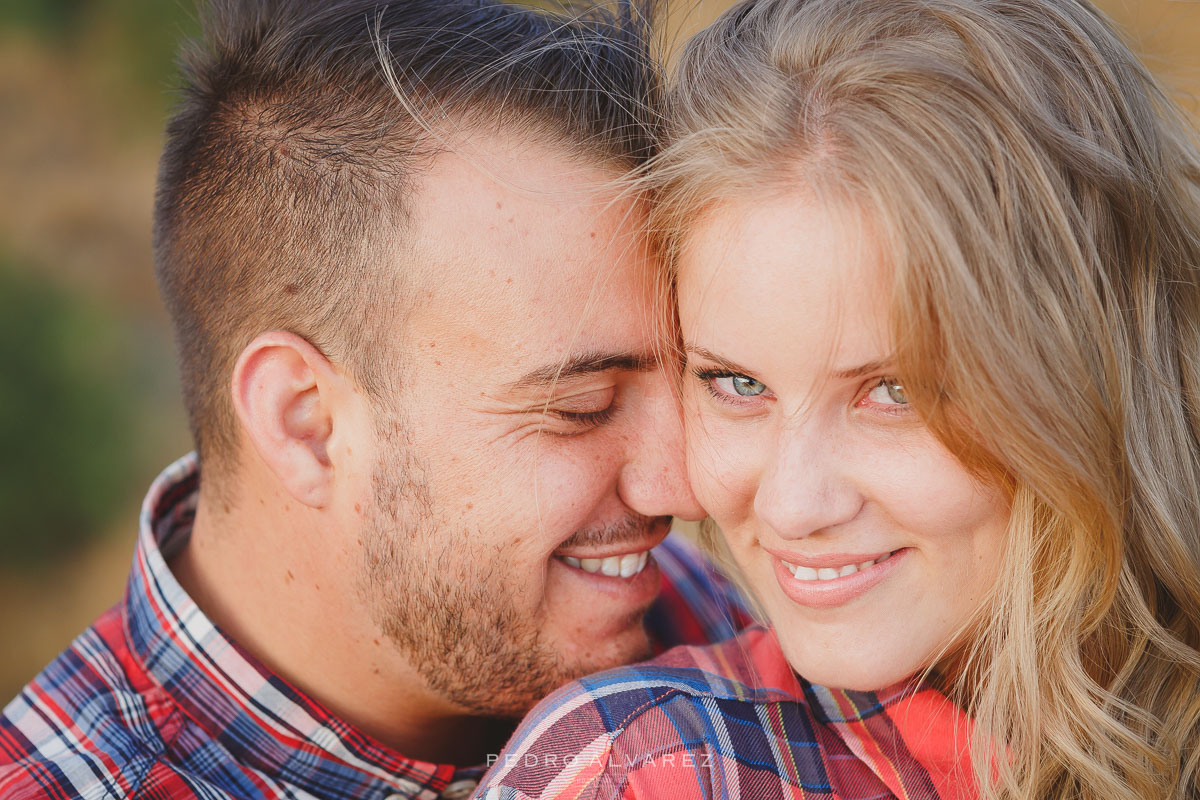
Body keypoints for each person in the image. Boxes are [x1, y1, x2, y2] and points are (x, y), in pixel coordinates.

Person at [0, 1, 755, 798]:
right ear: (306, 424)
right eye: (585, 406)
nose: (687, 487)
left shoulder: (707, 616)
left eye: (693, 379)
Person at [474, 0, 1200, 797]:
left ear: (1084, 370)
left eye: (893, 392)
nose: (792, 506)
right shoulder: (661, 767)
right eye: (736, 383)